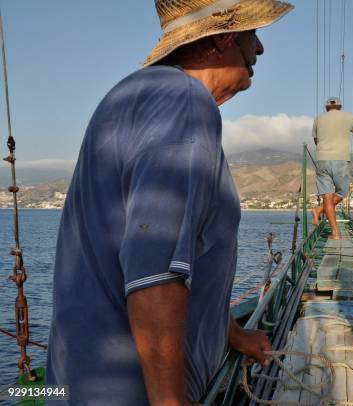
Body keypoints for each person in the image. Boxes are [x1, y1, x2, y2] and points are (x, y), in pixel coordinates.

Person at [46, 0, 294, 404]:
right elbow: (156, 270)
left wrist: (231, 333)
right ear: (223, 37)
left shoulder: (131, 94)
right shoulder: (185, 102)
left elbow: (184, 253)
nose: (259, 50)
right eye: (254, 33)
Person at [311, 97, 353, 239]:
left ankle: (334, 231)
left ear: (327, 108)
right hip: (340, 159)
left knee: (326, 196)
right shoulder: (348, 117)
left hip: (322, 160)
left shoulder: (318, 119)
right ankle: (319, 210)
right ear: (340, 106)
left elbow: (316, 140)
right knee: (342, 192)